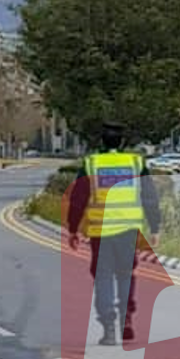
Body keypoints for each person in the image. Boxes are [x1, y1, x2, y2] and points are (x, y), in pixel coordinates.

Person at [66, 123, 163, 345]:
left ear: (102, 142)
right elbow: (149, 196)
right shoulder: (135, 163)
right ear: (121, 142)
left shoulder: (92, 163)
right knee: (126, 273)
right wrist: (155, 226)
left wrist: (73, 229)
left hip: (101, 232)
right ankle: (127, 318)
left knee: (103, 277)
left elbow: (78, 199)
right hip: (128, 230)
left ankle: (109, 327)